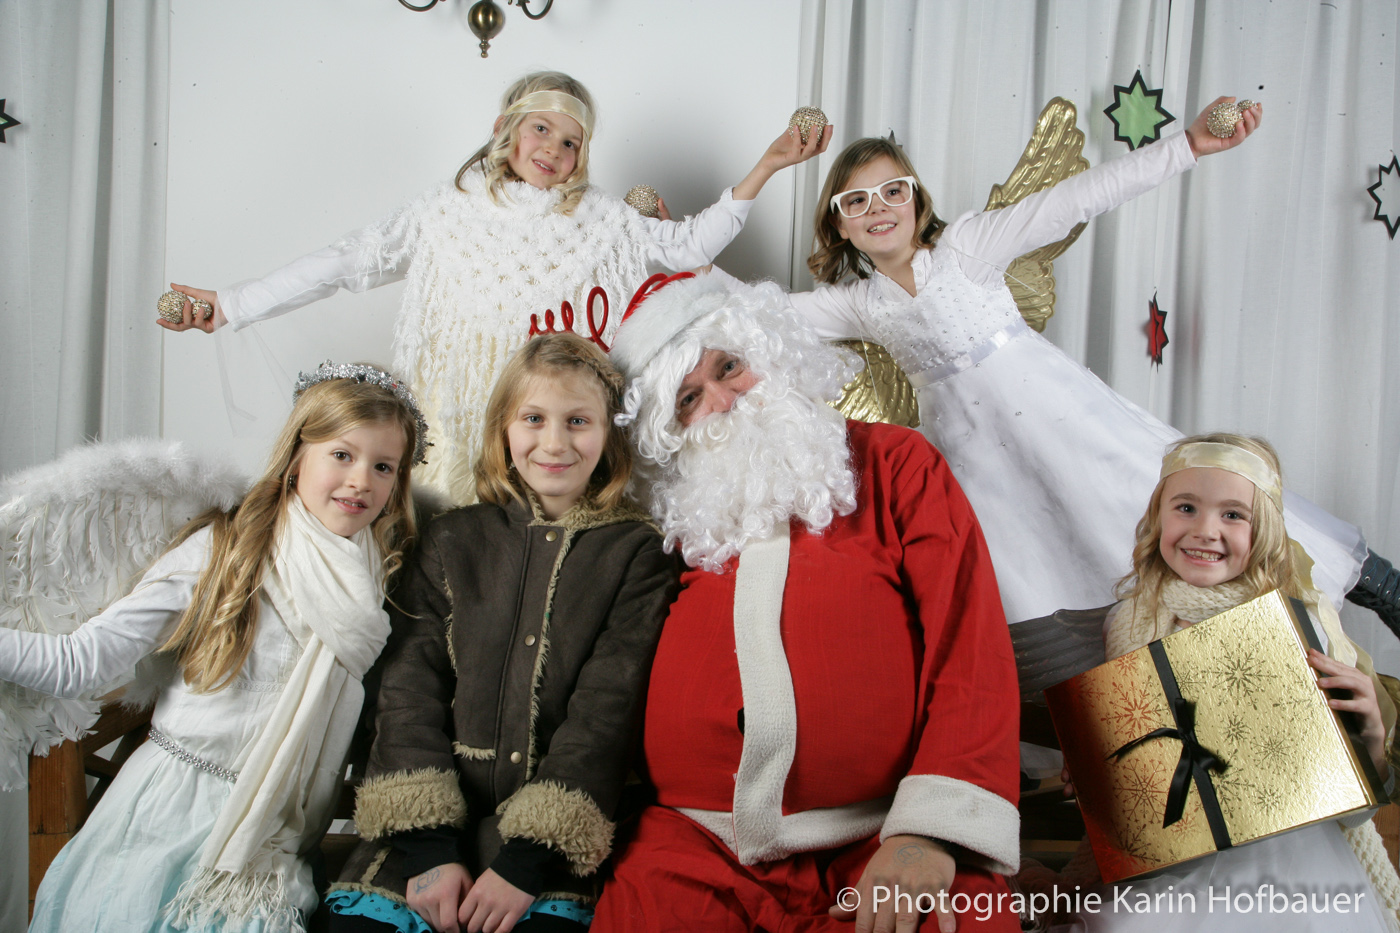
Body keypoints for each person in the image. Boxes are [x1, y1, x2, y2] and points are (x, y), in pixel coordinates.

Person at [711, 96, 1370, 627]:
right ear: (840, 224)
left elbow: (1078, 198)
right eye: (856, 202)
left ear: (917, 200)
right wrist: (692, 234)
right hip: (978, 460)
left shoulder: (968, 246)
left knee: (1146, 495)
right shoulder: (857, 304)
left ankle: (1372, 585)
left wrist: (1189, 145)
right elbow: (750, 308)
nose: (877, 209)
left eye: (892, 191)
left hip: (1059, 417)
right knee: (1034, 566)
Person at [162, 70, 830, 504]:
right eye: (542, 128)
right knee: (442, 556)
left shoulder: (601, 220)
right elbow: (343, 263)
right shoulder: (443, 212)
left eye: (571, 143)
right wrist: (231, 305)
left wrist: (768, 165)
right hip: (452, 423)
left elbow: (687, 247)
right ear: (504, 130)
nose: (554, 150)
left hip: (546, 434)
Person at [592, 273, 1022, 932]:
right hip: (695, 847)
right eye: (688, 398)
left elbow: (970, 647)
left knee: (964, 921)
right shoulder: (669, 519)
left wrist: (928, 832)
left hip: (881, 835)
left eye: (729, 367)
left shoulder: (896, 465)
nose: (723, 402)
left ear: (771, 353)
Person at [3, 362, 426, 932]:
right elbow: (79, 663)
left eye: (383, 466)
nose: (361, 481)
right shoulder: (224, 549)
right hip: (168, 815)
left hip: (275, 833)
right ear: (298, 456)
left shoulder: (376, 578)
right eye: (342, 455)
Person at [325, 333, 678, 933]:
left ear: (609, 434)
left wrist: (526, 860)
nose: (554, 442)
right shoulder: (452, 537)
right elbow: (408, 689)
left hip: (550, 851)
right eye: (533, 419)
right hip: (429, 838)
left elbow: (607, 711)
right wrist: (429, 848)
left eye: (578, 421)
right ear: (503, 430)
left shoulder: (638, 552)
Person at [1021, 433, 1400, 933]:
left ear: (1263, 531)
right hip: (1168, 864)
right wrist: (1099, 775)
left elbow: (1351, 808)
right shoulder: (1127, 623)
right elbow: (1136, 777)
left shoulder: (1299, 626)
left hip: (1289, 862)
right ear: (1158, 518)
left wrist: (1368, 738)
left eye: (1233, 515)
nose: (1205, 530)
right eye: (1186, 508)